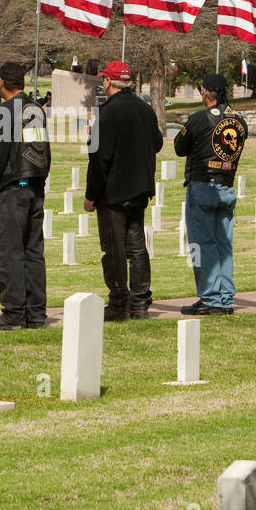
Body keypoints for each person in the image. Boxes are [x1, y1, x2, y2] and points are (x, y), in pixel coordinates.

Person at [84, 60, 162, 321]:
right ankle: (140, 301)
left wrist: (91, 195)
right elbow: (158, 142)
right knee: (137, 247)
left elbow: (98, 158)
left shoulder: (106, 113)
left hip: (113, 191)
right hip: (139, 188)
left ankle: (119, 302)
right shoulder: (145, 109)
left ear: (108, 81)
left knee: (114, 249)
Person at [0, 61, 51, 330]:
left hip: (12, 189)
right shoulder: (36, 109)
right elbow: (43, 149)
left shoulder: (5, 111)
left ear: (1, 83)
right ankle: (36, 313)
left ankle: (13, 313)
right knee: (33, 251)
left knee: (10, 252)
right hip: (34, 186)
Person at [174, 72, 248, 315]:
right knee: (224, 245)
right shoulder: (239, 120)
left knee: (201, 244)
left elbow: (179, 147)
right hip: (227, 185)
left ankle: (210, 298)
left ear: (206, 93)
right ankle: (225, 296)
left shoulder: (199, 119)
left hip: (202, 184)